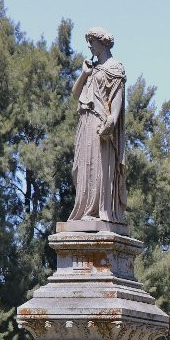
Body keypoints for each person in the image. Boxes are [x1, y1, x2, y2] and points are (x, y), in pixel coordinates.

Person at [69, 27, 127, 224]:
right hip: (85, 121)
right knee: (81, 168)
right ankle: (85, 209)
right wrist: (84, 74)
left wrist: (112, 119)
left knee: (98, 167)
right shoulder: (91, 68)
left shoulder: (114, 67)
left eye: (91, 41)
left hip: (100, 123)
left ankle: (98, 210)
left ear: (101, 42)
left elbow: (117, 97)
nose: (89, 46)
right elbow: (75, 93)